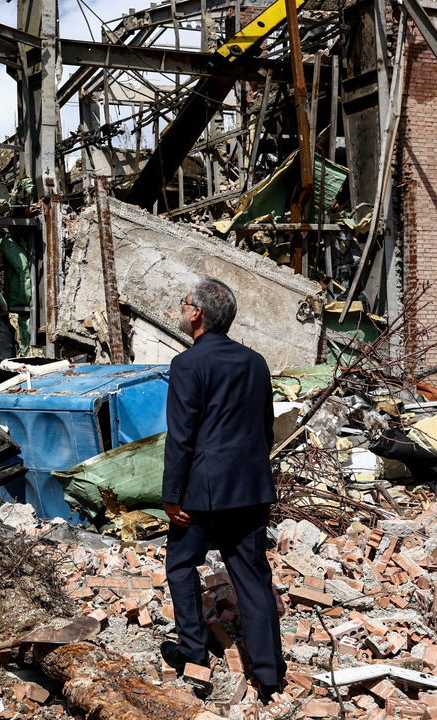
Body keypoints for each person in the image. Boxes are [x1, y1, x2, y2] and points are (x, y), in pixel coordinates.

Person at [159, 276, 284, 702]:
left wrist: (171, 496)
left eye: (183, 302)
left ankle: (194, 654)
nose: (180, 308)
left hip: (202, 494)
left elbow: (181, 437)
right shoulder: (256, 362)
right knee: (252, 577)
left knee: (180, 565)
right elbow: (265, 430)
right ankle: (270, 674)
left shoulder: (187, 365)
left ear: (196, 313)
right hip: (250, 489)